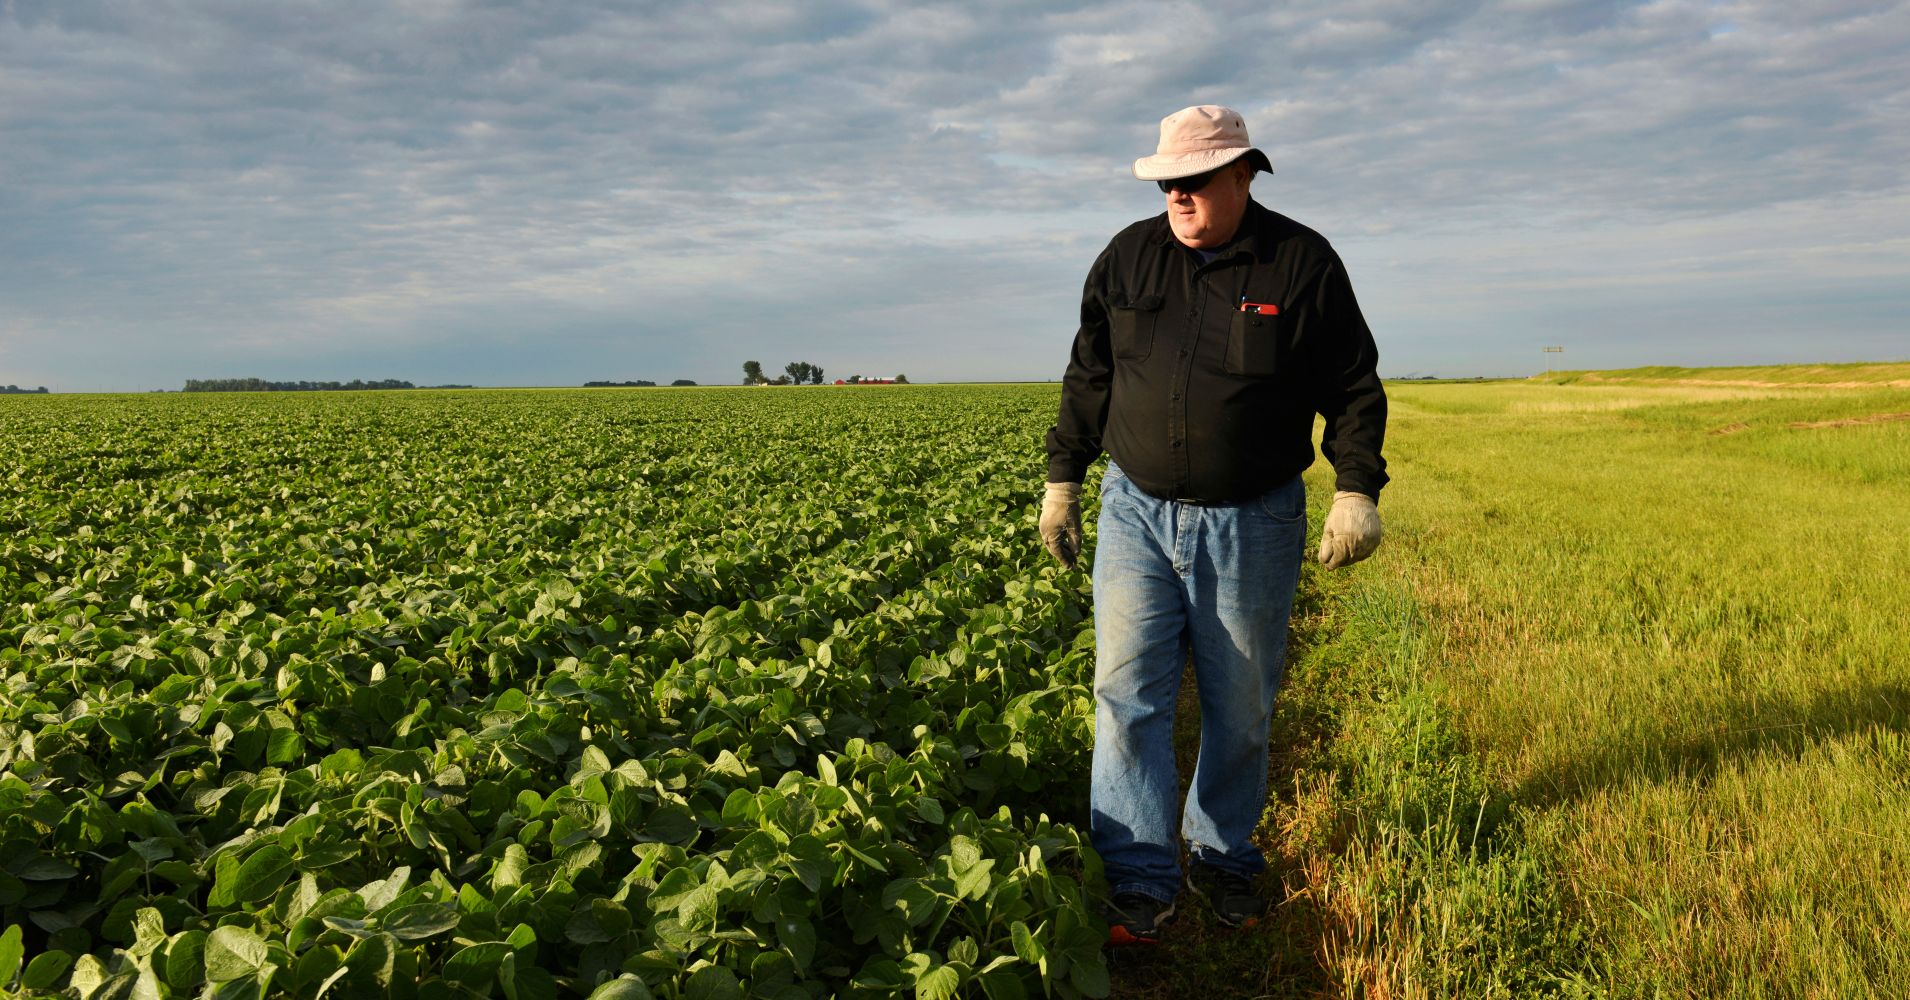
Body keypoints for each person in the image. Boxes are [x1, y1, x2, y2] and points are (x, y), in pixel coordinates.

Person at [1040, 104, 1388, 943]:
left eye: (1195, 181)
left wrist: (1356, 489)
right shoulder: (1127, 256)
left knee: (1240, 705)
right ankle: (1138, 877)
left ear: (1244, 174)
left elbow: (1351, 384)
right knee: (1125, 697)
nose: (1179, 197)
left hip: (1252, 521)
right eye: (1167, 184)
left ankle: (1225, 858)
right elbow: (1091, 372)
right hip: (1136, 512)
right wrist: (1062, 479)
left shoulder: (1300, 263)